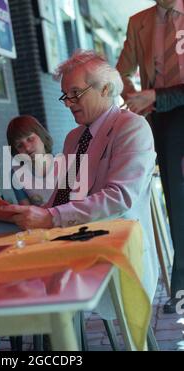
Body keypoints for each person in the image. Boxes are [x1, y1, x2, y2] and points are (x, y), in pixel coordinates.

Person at [1, 49, 159, 304]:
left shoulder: (131, 126)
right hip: (74, 239)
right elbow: (66, 193)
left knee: (21, 274)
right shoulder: (74, 138)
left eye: (75, 93)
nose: (67, 102)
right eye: (65, 95)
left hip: (113, 246)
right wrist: (33, 213)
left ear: (106, 89)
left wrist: (50, 217)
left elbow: (119, 197)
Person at [116, 0, 184, 313]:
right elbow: (120, 72)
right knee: (178, 203)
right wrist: (132, 93)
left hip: (169, 104)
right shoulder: (139, 22)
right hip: (166, 124)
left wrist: (155, 95)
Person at [7, 115, 55, 206]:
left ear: (42, 136)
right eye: (20, 145)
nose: (27, 148)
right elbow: (27, 211)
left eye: (30, 139)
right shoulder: (17, 174)